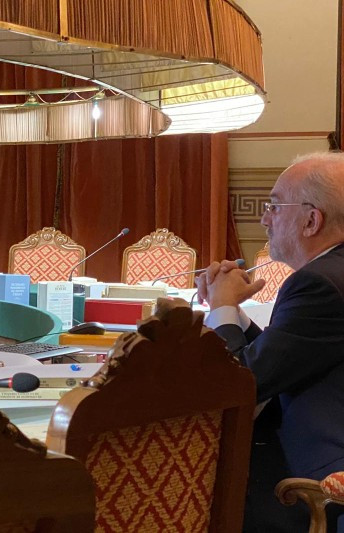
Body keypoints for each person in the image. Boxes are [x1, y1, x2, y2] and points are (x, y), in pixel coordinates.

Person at [195, 152, 344, 532]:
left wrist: (222, 306)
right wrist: (233, 313)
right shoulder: (332, 273)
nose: (264, 219)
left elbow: (240, 383)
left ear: (312, 221)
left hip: (313, 479)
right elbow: (290, 355)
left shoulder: (319, 283)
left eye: (274, 207)